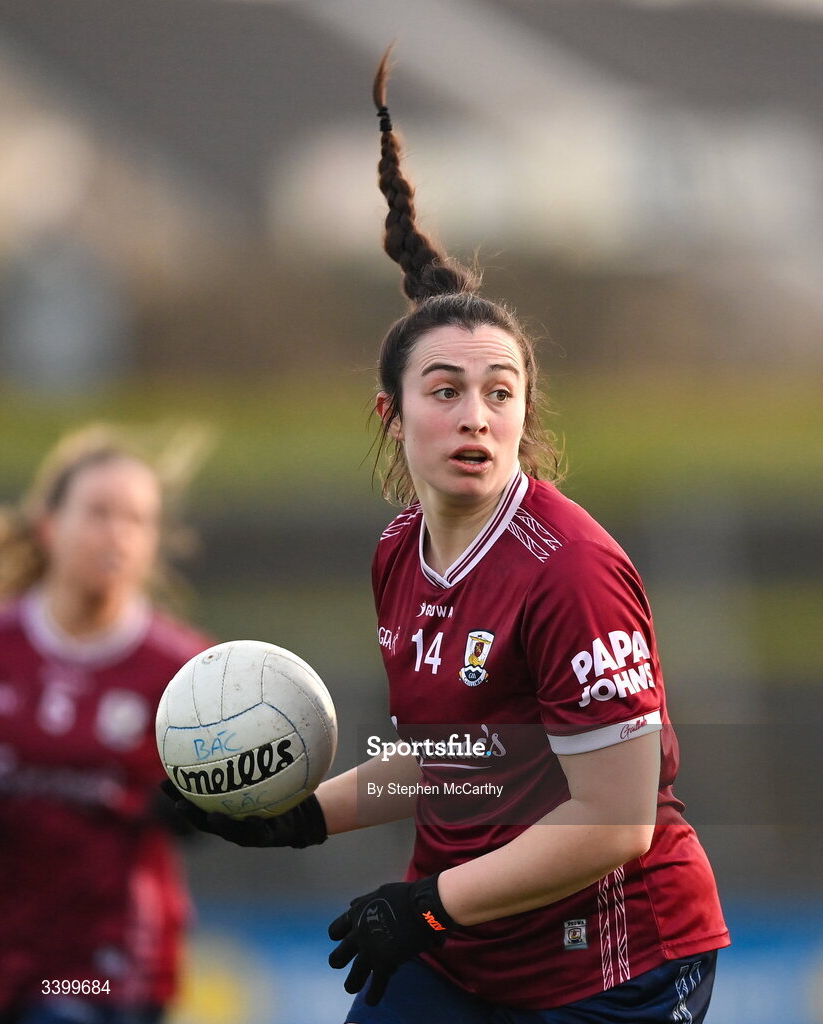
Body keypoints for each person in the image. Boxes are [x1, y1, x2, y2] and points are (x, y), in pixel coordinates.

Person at [165, 52, 730, 1023]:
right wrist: (300, 817)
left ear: (522, 413)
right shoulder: (398, 552)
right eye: (446, 391)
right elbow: (465, 751)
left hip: (614, 963)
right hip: (465, 953)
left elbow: (616, 818)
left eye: (499, 394)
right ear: (392, 415)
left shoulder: (574, 572)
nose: (476, 415)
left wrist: (428, 906)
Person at [0, 424, 211, 1024]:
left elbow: (231, 799)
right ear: (48, 525)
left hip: (108, 963)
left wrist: (210, 804)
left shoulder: (185, 672)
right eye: (99, 513)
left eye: (136, 519)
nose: (116, 534)